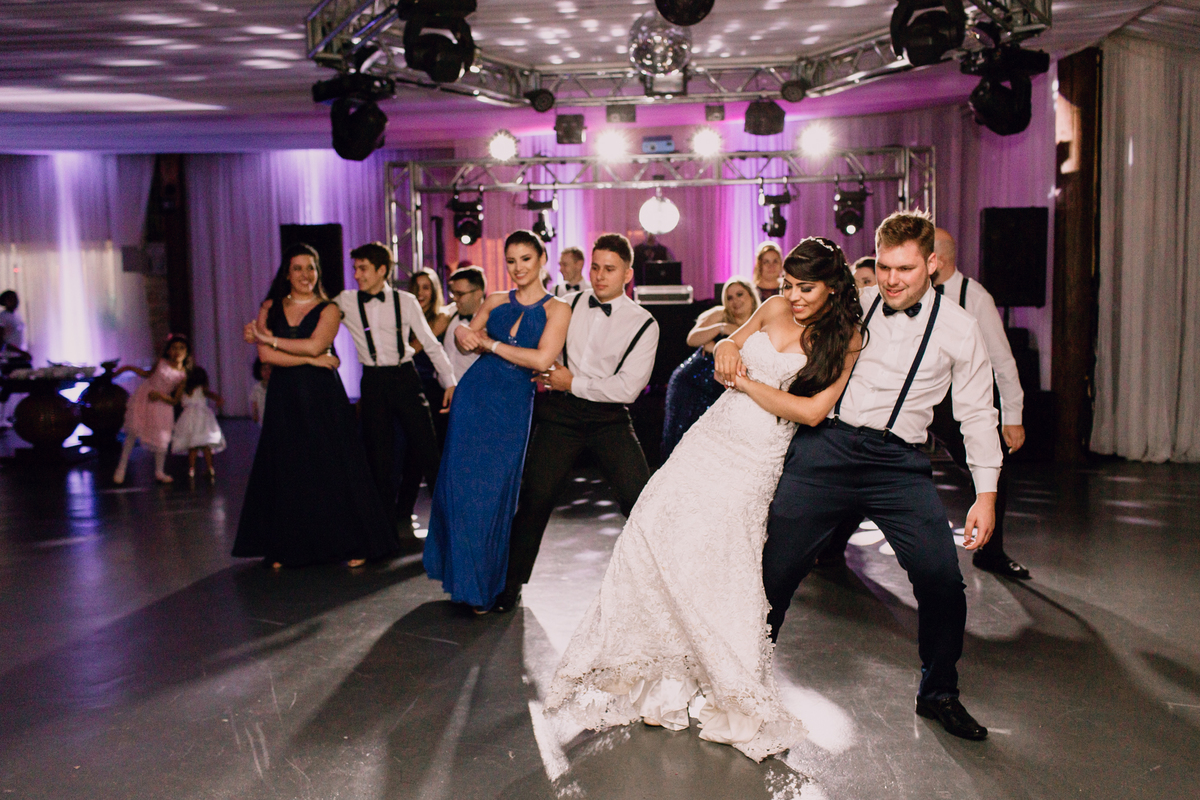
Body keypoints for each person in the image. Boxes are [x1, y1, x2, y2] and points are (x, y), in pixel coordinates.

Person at [546, 237, 863, 761]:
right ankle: (656, 677)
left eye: (806, 287)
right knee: (651, 534)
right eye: (788, 284)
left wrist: (747, 386)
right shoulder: (775, 306)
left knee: (721, 565)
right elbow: (725, 344)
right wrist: (729, 349)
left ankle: (728, 688)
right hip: (709, 441)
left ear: (833, 286)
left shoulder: (846, 337)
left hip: (756, 459)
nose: (794, 296)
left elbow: (811, 413)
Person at [763, 211, 1001, 742]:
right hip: (828, 447)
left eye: (906, 269)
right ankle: (742, 680)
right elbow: (781, 315)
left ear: (932, 264)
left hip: (899, 464)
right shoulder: (854, 306)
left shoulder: (961, 329)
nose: (892, 280)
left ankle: (939, 692)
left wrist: (985, 494)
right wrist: (732, 338)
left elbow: (978, 414)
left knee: (942, 580)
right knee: (773, 570)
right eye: (884, 267)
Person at [498, 233, 659, 612]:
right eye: (596, 267)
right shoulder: (565, 305)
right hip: (561, 414)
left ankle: (659, 587)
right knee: (535, 498)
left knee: (640, 501)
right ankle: (507, 586)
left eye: (610, 269)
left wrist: (575, 382)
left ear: (628, 274)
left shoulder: (644, 323)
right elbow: (539, 350)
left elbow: (628, 389)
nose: (600, 276)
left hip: (609, 419)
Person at [423, 230, 570, 611]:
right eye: (511, 260)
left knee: (494, 494)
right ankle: (466, 585)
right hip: (474, 399)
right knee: (463, 490)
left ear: (541, 260)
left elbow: (541, 360)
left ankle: (487, 586)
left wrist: (488, 343)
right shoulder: (494, 300)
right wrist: (459, 333)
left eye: (525, 258)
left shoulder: (559, 309)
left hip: (511, 408)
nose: (518, 267)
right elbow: (466, 342)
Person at [234, 243, 397, 569]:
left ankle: (355, 543)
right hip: (284, 397)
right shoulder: (270, 307)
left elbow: (316, 344)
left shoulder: (330, 308)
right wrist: (308, 358)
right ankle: (284, 548)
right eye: (298, 268)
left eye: (311, 268)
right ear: (287, 273)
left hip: (322, 398)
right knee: (287, 467)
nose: (306, 275)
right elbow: (267, 358)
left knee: (333, 468)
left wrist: (273, 341)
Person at [327, 242, 456, 549]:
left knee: (429, 452)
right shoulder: (345, 300)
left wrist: (449, 381)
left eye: (363, 269)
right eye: (355, 269)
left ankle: (450, 530)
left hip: (405, 377)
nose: (356, 275)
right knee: (379, 460)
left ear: (382, 270)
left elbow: (429, 341)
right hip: (372, 382)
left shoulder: (405, 300)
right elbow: (318, 317)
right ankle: (382, 534)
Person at [930, 228, 1029, 578]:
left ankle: (991, 552)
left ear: (935, 259)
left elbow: (1003, 360)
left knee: (990, 472)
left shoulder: (976, 296)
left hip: (956, 405)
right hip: (916, 401)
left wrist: (1012, 416)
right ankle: (833, 548)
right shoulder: (912, 293)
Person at [660, 276, 760, 461]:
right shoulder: (720, 314)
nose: (735, 301)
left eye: (739, 294)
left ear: (751, 296)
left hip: (722, 389)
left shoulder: (760, 322)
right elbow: (692, 339)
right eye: (729, 297)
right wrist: (722, 328)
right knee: (682, 439)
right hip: (690, 383)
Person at [112, 334, 190, 485]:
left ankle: (159, 471)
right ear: (168, 351)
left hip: (162, 404)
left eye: (181, 348)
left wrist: (160, 396)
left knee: (161, 438)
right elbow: (147, 374)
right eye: (174, 348)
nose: (177, 351)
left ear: (186, 353)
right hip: (145, 397)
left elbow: (175, 400)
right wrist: (128, 368)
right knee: (133, 432)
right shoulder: (161, 363)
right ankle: (121, 468)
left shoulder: (183, 375)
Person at [408, 267, 453, 416]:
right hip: (407, 384)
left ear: (434, 290)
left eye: (425, 288)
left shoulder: (441, 316)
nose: (420, 293)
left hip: (431, 386)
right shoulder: (405, 319)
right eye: (416, 288)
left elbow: (419, 345)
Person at [170, 365, 226, 483]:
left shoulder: (185, 388)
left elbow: (177, 400)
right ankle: (210, 468)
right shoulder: (201, 389)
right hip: (203, 417)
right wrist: (218, 399)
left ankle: (191, 469)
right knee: (206, 445)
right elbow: (211, 394)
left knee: (193, 446)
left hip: (189, 417)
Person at [443, 265, 487, 380]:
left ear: (478, 293)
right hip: (444, 390)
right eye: (453, 293)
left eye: (460, 294)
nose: (455, 298)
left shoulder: (491, 322)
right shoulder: (450, 312)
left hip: (474, 392)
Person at [0, 290, 32, 427]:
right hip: (9, 358)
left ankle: (19, 414)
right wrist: (19, 351)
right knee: (8, 386)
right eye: (11, 299)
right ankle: (2, 417)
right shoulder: (3, 317)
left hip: (20, 357)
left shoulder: (17, 316)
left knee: (26, 385)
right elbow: (2, 341)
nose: (15, 301)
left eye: (15, 298)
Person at [248, 358, 270, 425]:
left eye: (270, 369)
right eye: (264, 369)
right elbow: (254, 402)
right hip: (262, 418)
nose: (268, 372)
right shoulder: (257, 387)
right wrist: (255, 414)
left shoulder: (278, 386)